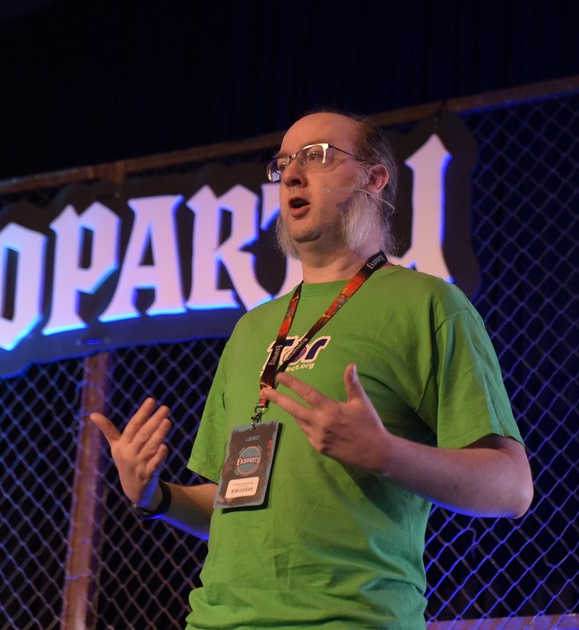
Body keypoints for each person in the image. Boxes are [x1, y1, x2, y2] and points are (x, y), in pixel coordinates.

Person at [89, 108, 533, 629]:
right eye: (282, 164)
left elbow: (512, 489)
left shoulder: (428, 303)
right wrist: (155, 496)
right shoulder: (253, 329)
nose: (292, 175)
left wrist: (384, 452)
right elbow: (234, 504)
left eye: (317, 156)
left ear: (374, 178)